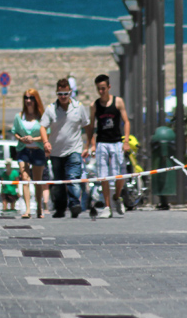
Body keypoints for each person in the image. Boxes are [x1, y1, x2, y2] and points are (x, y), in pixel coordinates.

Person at [39, 77, 91, 218]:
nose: (63, 97)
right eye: (60, 94)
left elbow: (87, 125)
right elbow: (42, 127)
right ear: (57, 93)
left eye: (65, 94)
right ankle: (60, 208)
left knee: (73, 177)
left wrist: (88, 145)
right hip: (56, 152)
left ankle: (74, 204)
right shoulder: (51, 109)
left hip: (74, 150)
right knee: (59, 182)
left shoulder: (79, 107)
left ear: (70, 93)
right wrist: (45, 142)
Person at [86, 74, 131, 218]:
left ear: (109, 87)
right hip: (102, 143)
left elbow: (126, 121)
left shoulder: (118, 102)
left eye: (103, 88)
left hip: (116, 141)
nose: (101, 91)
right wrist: (92, 145)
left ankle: (117, 197)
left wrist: (126, 141)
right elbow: (91, 126)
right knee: (103, 176)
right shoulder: (94, 105)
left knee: (119, 174)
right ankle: (107, 206)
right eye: (99, 89)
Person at [13, 88, 47, 219]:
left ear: (36, 100)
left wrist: (34, 139)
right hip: (23, 150)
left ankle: (39, 208)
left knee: (37, 181)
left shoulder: (42, 117)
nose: (28, 101)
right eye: (26, 98)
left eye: (31, 98)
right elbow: (15, 131)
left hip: (38, 150)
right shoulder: (19, 116)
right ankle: (27, 209)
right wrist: (20, 138)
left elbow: (47, 135)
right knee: (25, 178)